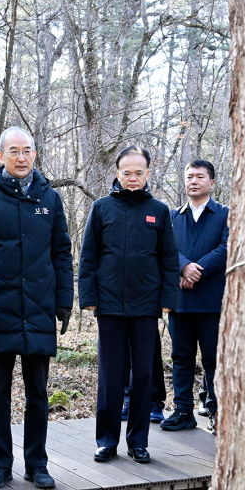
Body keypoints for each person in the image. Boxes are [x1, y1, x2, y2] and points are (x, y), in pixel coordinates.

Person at [0, 126, 74, 490]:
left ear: (35, 154)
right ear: (0, 156)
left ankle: (37, 464)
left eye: (27, 151)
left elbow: (61, 252)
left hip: (38, 308)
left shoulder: (50, 199)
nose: (21, 158)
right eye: (14, 151)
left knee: (38, 392)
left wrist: (64, 300)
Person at [78, 146, 178, 464]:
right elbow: (88, 256)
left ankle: (138, 442)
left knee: (144, 376)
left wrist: (168, 299)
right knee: (110, 376)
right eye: (126, 172)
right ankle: (107, 441)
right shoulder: (101, 208)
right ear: (117, 173)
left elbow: (169, 259)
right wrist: (89, 298)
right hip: (109, 305)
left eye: (138, 172)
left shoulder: (158, 211)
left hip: (147, 306)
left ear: (148, 174)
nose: (132, 178)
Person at [160, 159, 229, 434]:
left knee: (213, 359)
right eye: (189, 176)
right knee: (181, 357)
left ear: (212, 182)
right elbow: (164, 248)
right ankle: (183, 411)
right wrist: (183, 267)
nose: (194, 181)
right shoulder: (173, 216)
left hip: (212, 301)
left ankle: (216, 411)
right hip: (181, 301)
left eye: (200, 176)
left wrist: (197, 270)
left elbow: (227, 247)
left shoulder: (225, 214)